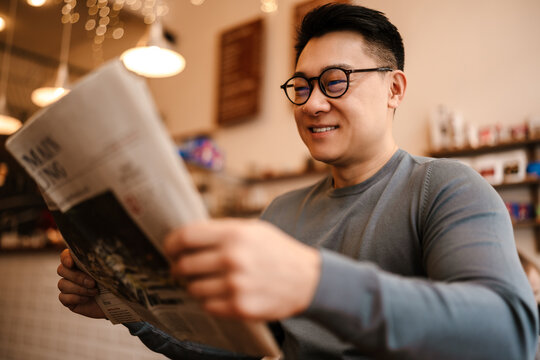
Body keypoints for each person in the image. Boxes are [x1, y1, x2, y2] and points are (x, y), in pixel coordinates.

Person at [57, 3, 539, 359]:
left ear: (395, 88)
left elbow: (508, 336)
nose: (310, 103)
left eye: (335, 81)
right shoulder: (282, 213)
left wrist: (312, 280)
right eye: (302, 86)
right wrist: (130, 313)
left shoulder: (447, 188)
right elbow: (242, 350)